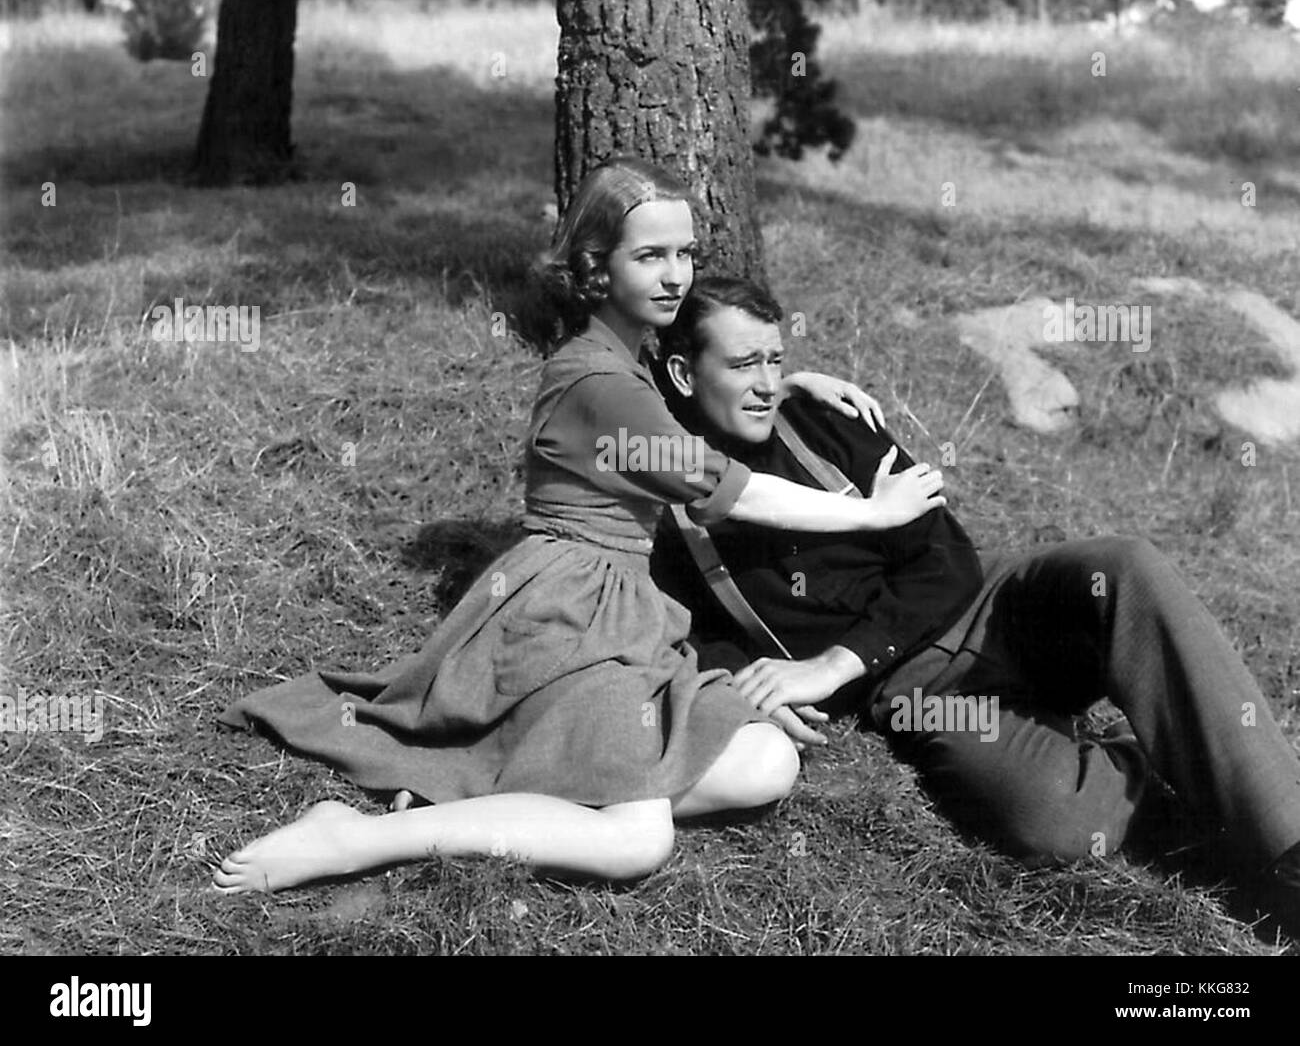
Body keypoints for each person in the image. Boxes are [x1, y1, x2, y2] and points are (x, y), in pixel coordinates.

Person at [212, 159, 947, 894]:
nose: (675, 276)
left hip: (621, 609)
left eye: (685, 253)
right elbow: (734, 489)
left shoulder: (626, 357)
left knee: (767, 764)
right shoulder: (599, 380)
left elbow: (678, 409)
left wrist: (780, 384)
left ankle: (518, 786)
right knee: (636, 841)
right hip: (570, 615)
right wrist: (873, 512)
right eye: (650, 256)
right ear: (597, 266)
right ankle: (360, 837)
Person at [647, 274, 1300, 939]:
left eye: (775, 360)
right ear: (683, 371)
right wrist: (758, 681)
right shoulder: (663, 507)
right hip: (912, 686)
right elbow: (690, 638)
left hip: (985, 600)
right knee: (1057, 821)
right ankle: (1186, 760)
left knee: (1125, 570)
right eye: (741, 364)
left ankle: (1290, 849)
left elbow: (944, 556)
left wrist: (835, 663)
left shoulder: (824, 417)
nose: (766, 383)